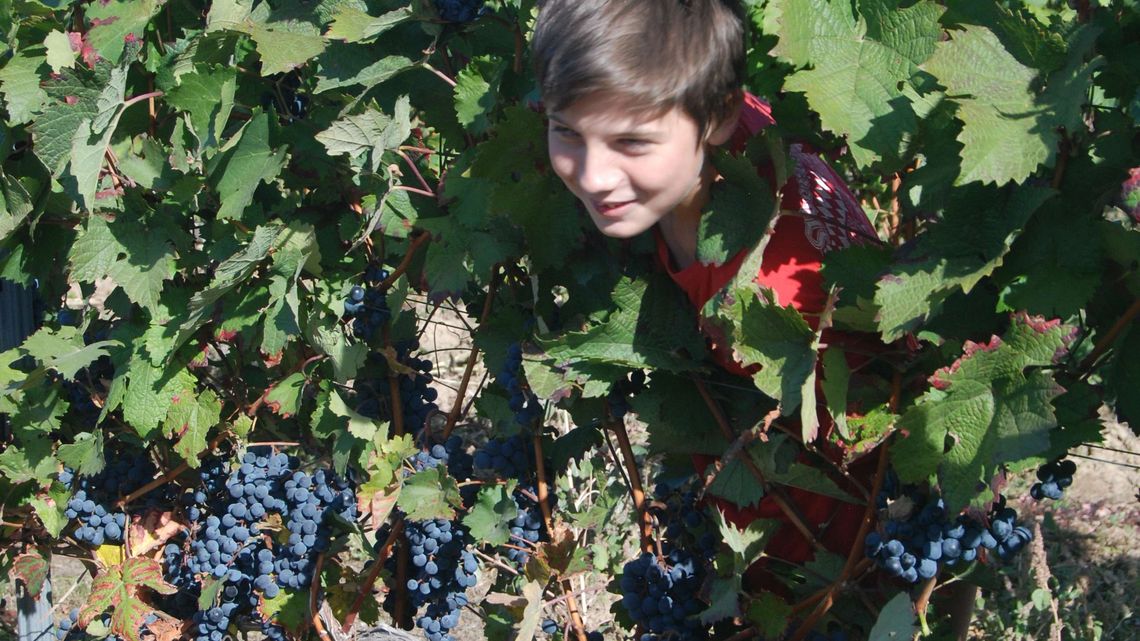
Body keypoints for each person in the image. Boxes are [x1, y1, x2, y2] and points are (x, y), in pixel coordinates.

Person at [530, 0, 884, 589]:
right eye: (566, 130)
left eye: (632, 142)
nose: (592, 175)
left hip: (824, 570)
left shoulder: (762, 294)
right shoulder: (719, 119)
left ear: (715, 116)